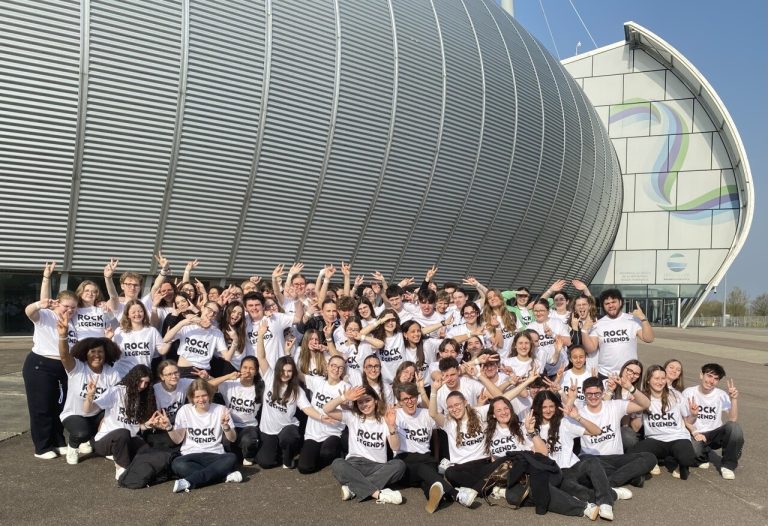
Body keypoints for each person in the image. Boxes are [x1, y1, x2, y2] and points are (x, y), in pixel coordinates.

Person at [531, 390, 626, 521]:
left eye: (551, 406)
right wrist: (531, 431)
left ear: (556, 406)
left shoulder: (564, 422)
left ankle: (606, 503)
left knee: (592, 462)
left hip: (574, 467)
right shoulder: (531, 428)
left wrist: (577, 417)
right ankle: (613, 493)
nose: (548, 410)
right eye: (544, 407)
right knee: (583, 494)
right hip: (557, 474)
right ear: (537, 408)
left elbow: (597, 431)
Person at [23, 263, 78, 459]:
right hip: (40, 365)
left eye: (73, 307)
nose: (69, 310)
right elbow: (29, 311)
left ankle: (58, 441)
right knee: (42, 407)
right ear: (57, 303)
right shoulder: (46, 315)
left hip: (63, 368)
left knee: (59, 407)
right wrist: (46, 281)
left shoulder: (73, 322)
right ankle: (42, 447)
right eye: (66, 306)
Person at [255, 319, 326, 469]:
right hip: (269, 430)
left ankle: (288, 456)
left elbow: (307, 409)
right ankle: (277, 451)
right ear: (278, 370)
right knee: (265, 462)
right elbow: (261, 357)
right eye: (283, 370)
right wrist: (260, 335)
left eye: (289, 371)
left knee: (289, 437)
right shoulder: (269, 377)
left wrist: (321, 417)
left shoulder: (296, 390)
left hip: (287, 428)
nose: (286, 374)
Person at [56, 311, 121, 465]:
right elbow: (64, 356)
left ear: (106, 354)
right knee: (81, 433)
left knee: (115, 422)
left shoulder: (112, 372)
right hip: (75, 414)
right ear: (86, 354)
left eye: (100, 352)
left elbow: (115, 399)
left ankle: (104, 447)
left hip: (96, 414)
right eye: (92, 352)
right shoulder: (77, 368)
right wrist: (63, 336)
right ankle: (73, 446)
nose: (97, 355)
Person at [323, 385, 406, 504]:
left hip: (377, 467)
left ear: (375, 400)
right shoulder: (353, 417)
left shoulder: (385, 420)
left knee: (399, 465)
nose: (364, 405)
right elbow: (326, 409)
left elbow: (395, 447)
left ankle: (353, 488)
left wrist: (391, 426)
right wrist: (344, 397)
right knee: (337, 464)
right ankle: (379, 494)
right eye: (360, 402)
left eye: (368, 400)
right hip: (354, 464)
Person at [392, 381, 460, 513]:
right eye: (405, 399)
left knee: (429, 481)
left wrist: (430, 391)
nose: (410, 402)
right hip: (405, 462)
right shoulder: (395, 415)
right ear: (399, 402)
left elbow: (442, 420)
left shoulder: (426, 413)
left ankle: (436, 498)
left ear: (417, 397)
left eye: (412, 397)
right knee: (424, 470)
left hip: (426, 460)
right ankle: (454, 494)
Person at [577, 376, 656, 488]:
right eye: (589, 394)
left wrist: (630, 387)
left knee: (649, 457)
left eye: (597, 393)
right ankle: (631, 477)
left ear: (603, 392)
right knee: (584, 465)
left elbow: (646, 404)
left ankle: (609, 483)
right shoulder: (579, 413)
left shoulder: (614, 405)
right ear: (584, 394)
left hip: (616, 457)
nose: (593, 397)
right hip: (592, 458)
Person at [84, 364, 160, 479]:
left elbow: (135, 426)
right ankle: (121, 468)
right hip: (105, 442)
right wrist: (90, 395)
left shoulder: (144, 397)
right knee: (123, 433)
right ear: (133, 378)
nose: (142, 386)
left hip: (128, 440)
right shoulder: (116, 391)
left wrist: (147, 425)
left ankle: (119, 455)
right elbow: (87, 410)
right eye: (140, 381)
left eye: (146, 383)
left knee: (147, 452)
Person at [166, 379, 243, 492]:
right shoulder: (185, 410)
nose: (201, 400)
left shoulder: (221, 409)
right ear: (191, 398)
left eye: (204, 395)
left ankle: (189, 481)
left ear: (210, 395)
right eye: (197, 397)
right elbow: (178, 440)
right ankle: (223, 476)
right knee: (177, 464)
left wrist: (226, 426)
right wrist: (169, 427)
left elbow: (233, 438)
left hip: (215, 454)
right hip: (190, 455)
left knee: (231, 458)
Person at [629, 365, 698, 480]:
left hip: (678, 437)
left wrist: (693, 415)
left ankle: (675, 461)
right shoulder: (642, 398)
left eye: (663, 378)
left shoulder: (676, 395)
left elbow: (688, 421)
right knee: (632, 455)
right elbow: (636, 428)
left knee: (687, 459)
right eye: (656, 378)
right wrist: (638, 410)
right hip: (655, 439)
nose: (660, 382)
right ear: (648, 380)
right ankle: (653, 460)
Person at [682, 363, 743, 480]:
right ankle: (702, 456)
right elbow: (683, 419)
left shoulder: (721, 395)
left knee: (734, 428)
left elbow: (732, 419)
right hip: (696, 434)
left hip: (714, 434)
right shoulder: (688, 393)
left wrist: (734, 399)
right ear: (701, 375)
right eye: (709, 376)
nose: (711, 381)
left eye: (716, 379)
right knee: (692, 454)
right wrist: (694, 431)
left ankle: (728, 466)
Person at [581, 290, 654, 378]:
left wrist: (643, 319)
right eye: (607, 303)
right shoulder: (598, 324)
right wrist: (584, 331)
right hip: (606, 374)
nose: (611, 305)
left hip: (630, 373)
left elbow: (649, 339)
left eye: (613, 302)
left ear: (620, 302)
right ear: (603, 306)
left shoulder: (632, 320)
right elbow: (590, 349)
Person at [298, 354, 350, 474]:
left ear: (343, 370)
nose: (336, 369)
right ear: (327, 366)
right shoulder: (318, 381)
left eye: (340, 367)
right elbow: (298, 374)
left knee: (327, 453)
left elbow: (350, 410)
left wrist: (346, 405)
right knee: (304, 468)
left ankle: (338, 452)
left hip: (333, 432)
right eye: (333, 365)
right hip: (313, 433)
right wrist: (287, 353)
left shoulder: (346, 387)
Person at [208, 356, 264, 466]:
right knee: (226, 445)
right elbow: (208, 385)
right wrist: (228, 376)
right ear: (240, 368)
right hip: (230, 424)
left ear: (256, 371)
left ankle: (248, 455)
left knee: (249, 442)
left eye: (251, 368)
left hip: (249, 426)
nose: (247, 371)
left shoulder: (261, 387)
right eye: (245, 367)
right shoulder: (231, 383)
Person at [163, 301, 237, 377]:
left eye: (215, 313)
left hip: (203, 372)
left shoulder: (217, 333)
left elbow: (227, 357)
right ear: (202, 308)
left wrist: (235, 341)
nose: (211, 314)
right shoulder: (188, 326)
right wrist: (182, 323)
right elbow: (166, 339)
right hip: (183, 370)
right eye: (209, 310)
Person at [112, 300, 167, 379]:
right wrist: (108, 338)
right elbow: (113, 353)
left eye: (140, 311)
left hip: (143, 377)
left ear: (144, 313)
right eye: (133, 312)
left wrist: (171, 338)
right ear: (128, 315)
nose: (137, 314)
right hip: (123, 375)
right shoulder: (119, 331)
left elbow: (162, 350)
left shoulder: (152, 331)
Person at [528, 299, 571, 378]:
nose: (538, 313)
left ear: (548, 311)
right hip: (541, 371)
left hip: (560, 369)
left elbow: (568, 342)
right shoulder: (530, 327)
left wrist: (552, 334)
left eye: (542, 310)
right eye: (536, 311)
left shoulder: (557, 322)